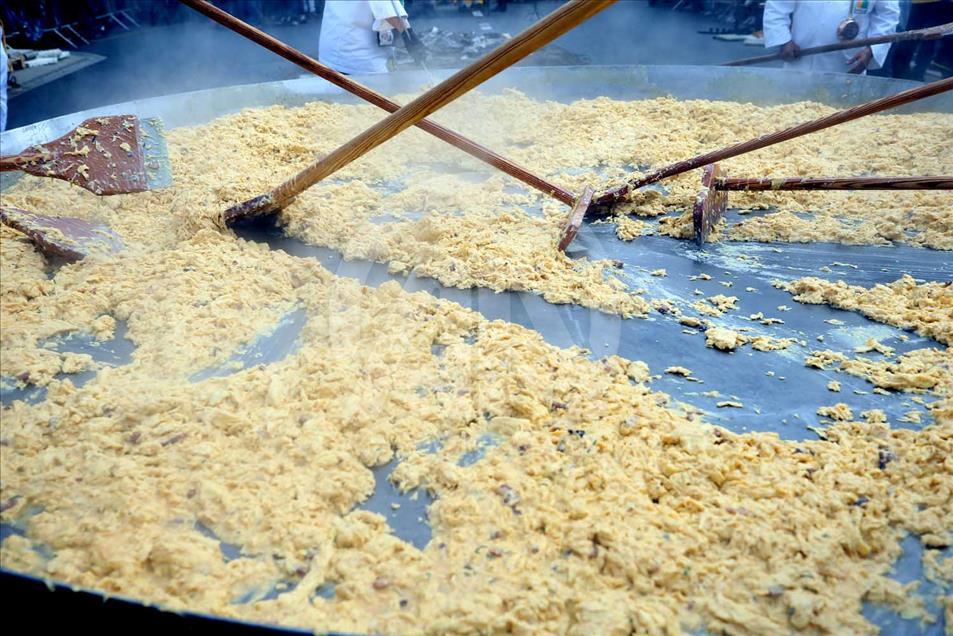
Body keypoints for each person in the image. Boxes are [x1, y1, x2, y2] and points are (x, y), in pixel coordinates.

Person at [763, 0, 901, 73]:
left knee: (842, 117)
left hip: (848, 63)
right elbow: (777, 7)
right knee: (793, 113)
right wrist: (783, 40)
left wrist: (872, 49)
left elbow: (887, 15)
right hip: (802, 59)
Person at [319, 0, 415, 75]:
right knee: (375, 94)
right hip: (358, 53)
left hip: (336, 43)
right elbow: (387, 9)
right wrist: (412, 40)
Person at [891, 0, 953, 80]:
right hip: (922, 4)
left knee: (929, 40)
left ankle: (916, 75)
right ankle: (901, 74)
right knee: (910, 38)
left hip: (943, 5)